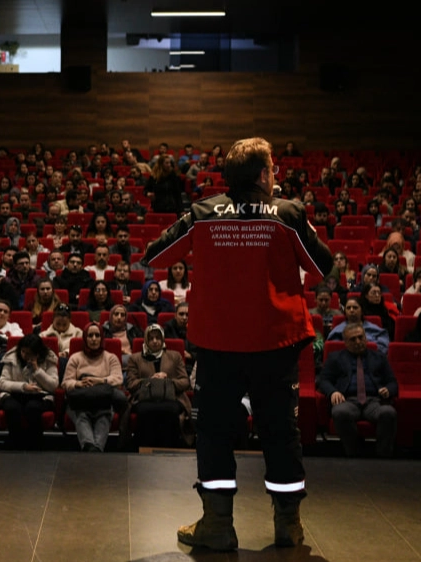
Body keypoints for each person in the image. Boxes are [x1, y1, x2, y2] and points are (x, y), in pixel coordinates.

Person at [143, 137, 332, 550]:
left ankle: (217, 525)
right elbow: (324, 266)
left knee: (214, 433)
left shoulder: (202, 214)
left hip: (219, 346)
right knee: (281, 434)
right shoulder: (288, 214)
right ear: (264, 175)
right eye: (273, 169)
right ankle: (288, 525)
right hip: (275, 344)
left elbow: (154, 256)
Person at [317, 323, 398, 458]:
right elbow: (323, 380)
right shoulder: (335, 358)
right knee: (339, 412)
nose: (358, 342)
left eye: (361, 337)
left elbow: (392, 382)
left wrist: (388, 389)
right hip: (347, 400)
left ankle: (383, 455)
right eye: (353, 339)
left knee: (388, 412)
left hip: (374, 401)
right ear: (346, 342)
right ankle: (355, 452)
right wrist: (333, 392)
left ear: (366, 338)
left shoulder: (379, 357)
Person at [125, 324, 192, 449]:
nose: (155, 341)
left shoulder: (175, 356)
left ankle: (170, 448)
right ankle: (145, 448)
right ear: (146, 340)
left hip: (172, 397)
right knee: (145, 410)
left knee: (171, 410)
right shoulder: (135, 358)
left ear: (163, 339)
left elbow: (185, 382)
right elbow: (130, 384)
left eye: (158, 338)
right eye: (151, 338)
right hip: (144, 398)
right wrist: (150, 380)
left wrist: (168, 381)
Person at [62, 322, 123, 452]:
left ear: (101, 338)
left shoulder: (110, 358)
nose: (94, 339)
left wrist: (99, 381)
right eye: (90, 336)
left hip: (103, 402)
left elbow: (118, 379)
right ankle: (91, 448)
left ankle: (93, 449)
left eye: (97, 335)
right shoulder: (75, 358)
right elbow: (66, 382)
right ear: (85, 338)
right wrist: (77, 383)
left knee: (104, 416)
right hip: (80, 401)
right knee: (81, 415)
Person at [0, 333, 59, 449]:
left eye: (29, 353)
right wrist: (24, 386)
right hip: (15, 394)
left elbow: (53, 386)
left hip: (40, 396)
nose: (25, 356)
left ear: (37, 353)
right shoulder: (12, 357)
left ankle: (34, 444)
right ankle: (16, 443)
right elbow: (2, 383)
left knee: (32, 408)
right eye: (23, 351)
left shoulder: (48, 358)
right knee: (12, 408)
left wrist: (37, 370)